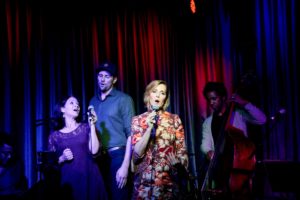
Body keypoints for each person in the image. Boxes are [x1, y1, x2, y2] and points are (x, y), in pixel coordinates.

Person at [200, 81, 267, 200]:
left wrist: (245, 103)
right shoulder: (208, 122)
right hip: (221, 170)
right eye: (209, 99)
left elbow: (262, 120)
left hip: (240, 167)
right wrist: (208, 151)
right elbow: (205, 144)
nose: (211, 103)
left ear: (223, 97)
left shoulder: (238, 114)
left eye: (214, 99)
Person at [131, 80, 189, 199]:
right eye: (154, 91)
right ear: (148, 95)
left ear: (165, 98)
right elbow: (137, 154)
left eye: (162, 93)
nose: (158, 95)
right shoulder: (137, 120)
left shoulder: (174, 120)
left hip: (168, 185)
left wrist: (178, 165)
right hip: (143, 186)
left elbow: (182, 152)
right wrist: (149, 128)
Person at [89, 61, 135, 200]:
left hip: (118, 156)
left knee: (119, 196)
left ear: (114, 79)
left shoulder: (124, 99)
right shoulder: (93, 101)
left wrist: (125, 166)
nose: (102, 79)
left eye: (107, 76)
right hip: (98, 159)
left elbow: (131, 134)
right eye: (100, 75)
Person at [47, 96, 107, 200]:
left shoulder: (85, 128)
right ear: (62, 109)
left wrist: (92, 125)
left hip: (90, 178)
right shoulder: (54, 136)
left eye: (78, 104)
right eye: (72, 103)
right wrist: (62, 158)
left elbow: (94, 150)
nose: (77, 105)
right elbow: (50, 165)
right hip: (69, 182)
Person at [0, 133, 27, 200]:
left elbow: (21, 183)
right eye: (5, 153)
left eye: (11, 153)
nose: (9, 156)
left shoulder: (17, 163)